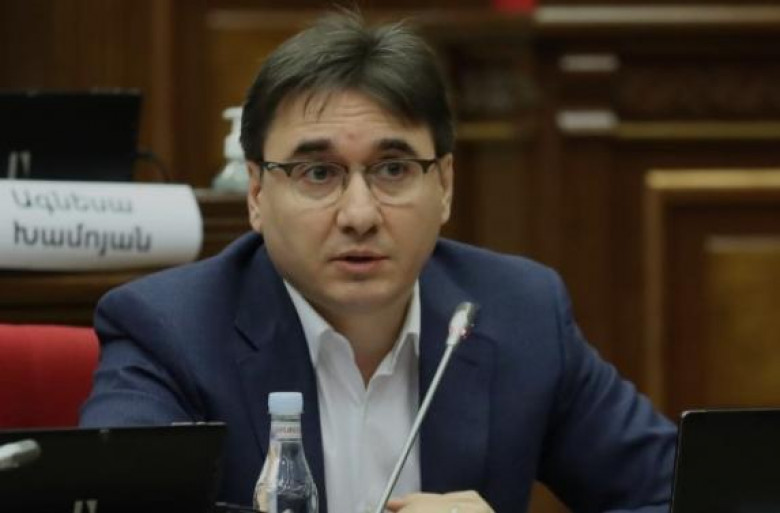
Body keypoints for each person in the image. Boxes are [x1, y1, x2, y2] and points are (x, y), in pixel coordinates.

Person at [80, 10, 676, 513]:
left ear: (444, 185)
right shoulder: (171, 331)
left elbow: (676, 496)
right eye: (318, 173)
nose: (360, 214)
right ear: (257, 194)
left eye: (393, 169)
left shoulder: (521, 313)